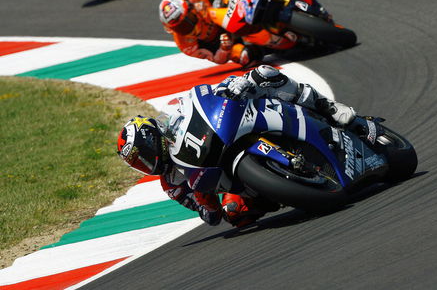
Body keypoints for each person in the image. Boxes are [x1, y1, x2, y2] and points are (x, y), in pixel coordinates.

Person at [116, 65, 356, 227]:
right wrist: (204, 202)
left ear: (152, 137)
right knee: (234, 213)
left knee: (262, 74)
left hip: (228, 131)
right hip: (231, 179)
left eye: (143, 155)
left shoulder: (175, 121)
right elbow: (209, 214)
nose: (147, 163)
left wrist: (229, 87)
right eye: (140, 164)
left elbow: (201, 98)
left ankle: (327, 106)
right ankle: (287, 189)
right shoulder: (171, 183)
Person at [158, 0, 322, 66]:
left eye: (188, 20)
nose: (189, 28)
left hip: (234, 9)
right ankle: (272, 44)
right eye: (181, 27)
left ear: (191, 8)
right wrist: (224, 48)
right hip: (233, 40)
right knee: (245, 57)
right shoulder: (186, 45)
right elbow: (217, 60)